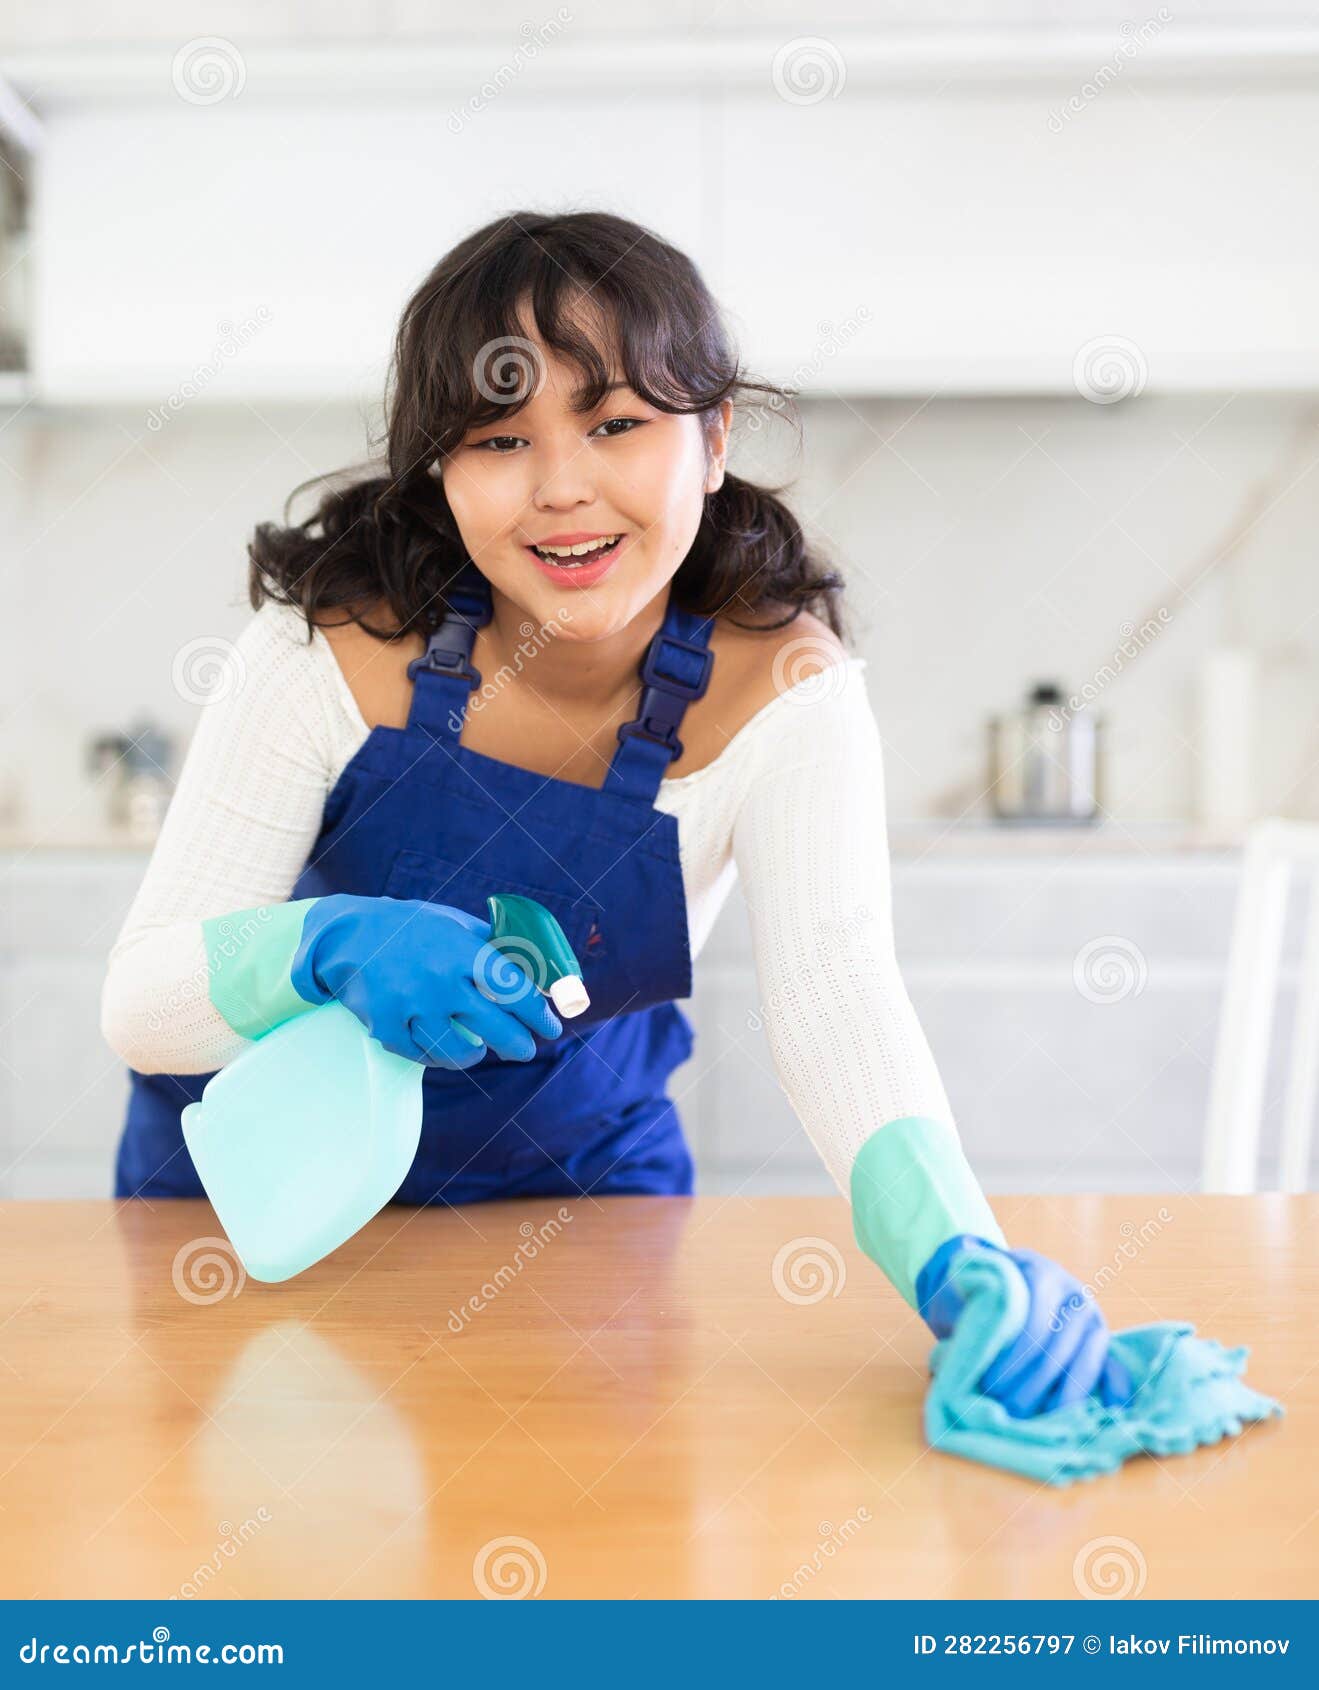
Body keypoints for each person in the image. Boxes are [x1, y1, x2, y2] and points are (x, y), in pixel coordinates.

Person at [100, 209, 1128, 1418]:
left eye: (616, 424)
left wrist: (954, 1254)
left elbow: (836, 996)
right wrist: (323, 951)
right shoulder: (325, 646)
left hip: (575, 1212)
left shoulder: (784, 691)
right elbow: (142, 1003)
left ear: (711, 440)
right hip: (249, 1202)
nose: (560, 490)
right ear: (441, 468)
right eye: (497, 437)